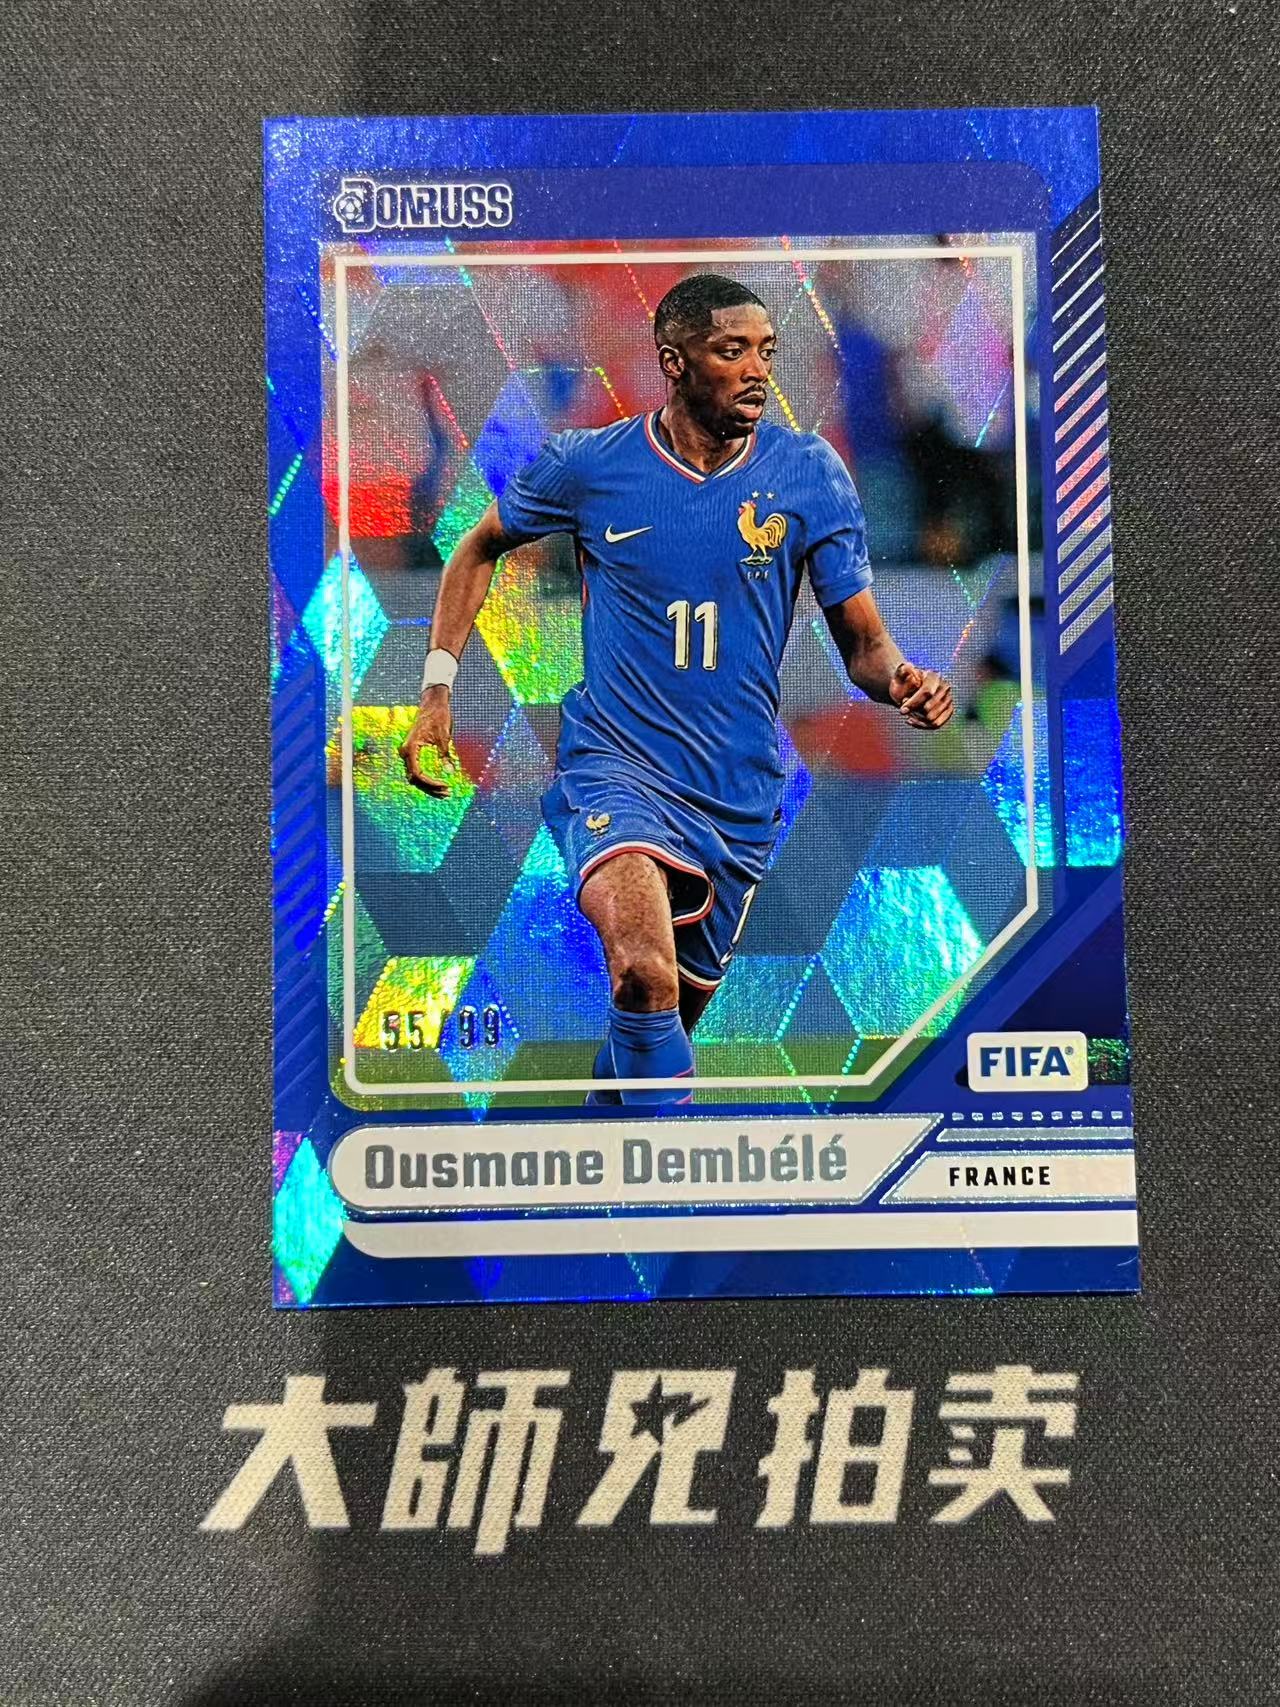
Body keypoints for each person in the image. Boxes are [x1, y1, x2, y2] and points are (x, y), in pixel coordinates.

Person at [399, 273, 954, 1106]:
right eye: (732, 351)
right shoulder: (590, 464)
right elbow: (477, 549)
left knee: (653, 1029)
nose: (757, 370)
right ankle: (672, 1170)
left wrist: (902, 678)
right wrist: (437, 688)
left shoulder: (809, 474)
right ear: (674, 361)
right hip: (615, 771)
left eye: (765, 350)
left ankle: (611, 1147)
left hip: (736, 796)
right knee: (645, 972)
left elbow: (865, 647)